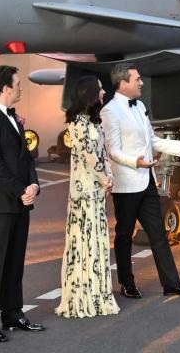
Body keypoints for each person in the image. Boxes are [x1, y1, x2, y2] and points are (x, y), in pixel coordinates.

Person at [102, 63, 180, 298]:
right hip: (126, 185)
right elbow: (113, 150)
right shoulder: (110, 111)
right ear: (123, 83)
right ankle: (127, 283)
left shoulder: (140, 106)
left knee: (158, 233)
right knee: (125, 235)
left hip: (147, 182)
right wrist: (135, 162)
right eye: (137, 79)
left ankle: (172, 284)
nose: (141, 82)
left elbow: (153, 141)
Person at [0, 65, 44, 343]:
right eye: (17, 83)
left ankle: (13, 313)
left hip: (20, 201)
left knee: (15, 261)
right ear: (5, 88)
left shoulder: (14, 118)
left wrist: (34, 185)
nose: (21, 88)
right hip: (0, 204)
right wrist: (20, 191)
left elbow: (26, 158)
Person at [55, 76, 120, 319]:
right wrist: (105, 178)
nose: (104, 92)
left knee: (98, 243)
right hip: (84, 194)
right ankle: (81, 297)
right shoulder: (77, 124)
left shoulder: (95, 122)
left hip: (98, 193)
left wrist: (109, 175)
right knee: (84, 243)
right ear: (90, 94)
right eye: (100, 89)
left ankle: (99, 295)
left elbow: (103, 152)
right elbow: (89, 156)